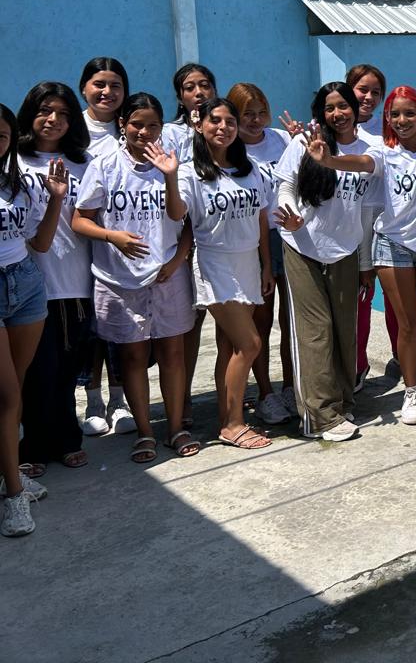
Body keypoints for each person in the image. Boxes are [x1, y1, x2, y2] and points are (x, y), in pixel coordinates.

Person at [313, 85, 416, 440]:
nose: (402, 120)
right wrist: (329, 161)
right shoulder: (383, 152)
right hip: (393, 246)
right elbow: (361, 163)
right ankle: (411, 390)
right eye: (395, 114)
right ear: (387, 119)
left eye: (409, 113)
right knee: (409, 326)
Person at [72, 93, 196, 463]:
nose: (144, 132)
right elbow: (80, 219)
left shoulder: (172, 164)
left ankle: (176, 427)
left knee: (173, 353)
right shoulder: (105, 164)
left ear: (162, 127)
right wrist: (113, 237)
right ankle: (145, 432)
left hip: (167, 275)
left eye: (152, 125)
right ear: (123, 124)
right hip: (119, 279)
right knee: (132, 356)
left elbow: (182, 218)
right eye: (136, 124)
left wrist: (169, 176)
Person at [157, 98, 273, 451]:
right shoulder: (189, 172)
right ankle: (234, 423)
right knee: (250, 344)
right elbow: (177, 213)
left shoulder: (250, 169)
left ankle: (227, 417)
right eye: (215, 121)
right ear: (199, 125)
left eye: (229, 121)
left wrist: (266, 265)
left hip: (247, 264)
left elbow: (261, 218)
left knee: (230, 346)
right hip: (214, 265)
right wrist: (170, 176)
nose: (223, 127)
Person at [273, 83, 379, 442]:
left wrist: (365, 262)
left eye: (343, 106)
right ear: (321, 112)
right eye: (330, 108)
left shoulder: (370, 149)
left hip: (345, 251)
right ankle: (319, 416)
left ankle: (342, 402)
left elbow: (366, 213)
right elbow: (285, 187)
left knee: (345, 331)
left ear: (355, 108)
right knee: (315, 331)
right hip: (302, 246)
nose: (338, 114)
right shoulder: (303, 143)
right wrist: (290, 214)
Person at [16, 83, 94, 477]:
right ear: (30, 113)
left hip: (76, 280)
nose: (54, 120)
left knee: (67, 368)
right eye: (46, 111)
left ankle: (67, 439)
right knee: (35, 370)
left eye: (63, 114)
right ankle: (31, 446)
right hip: (29, 281)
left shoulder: (84, 162)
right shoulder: (15, 161)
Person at [1, 103, 67, 538]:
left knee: (15, 390)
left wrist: (56, 199)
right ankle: (13, 495)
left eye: (1, 135)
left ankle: (10, 474)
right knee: (6, 396)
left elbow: (40, 243)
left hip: (24, 283)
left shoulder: (18, 184)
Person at [227, 82, 294, 425]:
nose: (255, 120)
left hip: (290, 237)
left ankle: (291, 386)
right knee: (261, 321)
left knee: (291, 319)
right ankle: (265, 392)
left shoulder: (282, 140)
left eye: (261, 112)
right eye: (247, 114)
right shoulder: (230, 150)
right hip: (254, 241)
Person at [76, 57, 133, 435]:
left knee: (117, 323)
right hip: (75, 240)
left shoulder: (128, 129)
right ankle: (92, 399)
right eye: (99, 84)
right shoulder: (73, 129)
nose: (107, 92)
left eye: (115, 85)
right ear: (84, 87)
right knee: (88, 327)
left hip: (120, 246)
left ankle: (119, 399)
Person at [165, 63, 216, 431]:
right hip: (183, 238)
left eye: (205, 85)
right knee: (189, 324)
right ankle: (181, 400)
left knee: (227, 322)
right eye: (190, 87)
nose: (199, 92)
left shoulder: (223, 125)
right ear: (180, 96)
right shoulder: (171, 133)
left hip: (219, 237)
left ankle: (230, 393)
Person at [345, 63, 398, 388]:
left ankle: (403, 354)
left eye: (375, 92)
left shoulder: (389, 127)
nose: (368, 97)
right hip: (356, 221)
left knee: (396, 293)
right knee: (362, 294)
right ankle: (358, 363)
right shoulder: (338, 127)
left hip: (389, 217)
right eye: (362, 89)